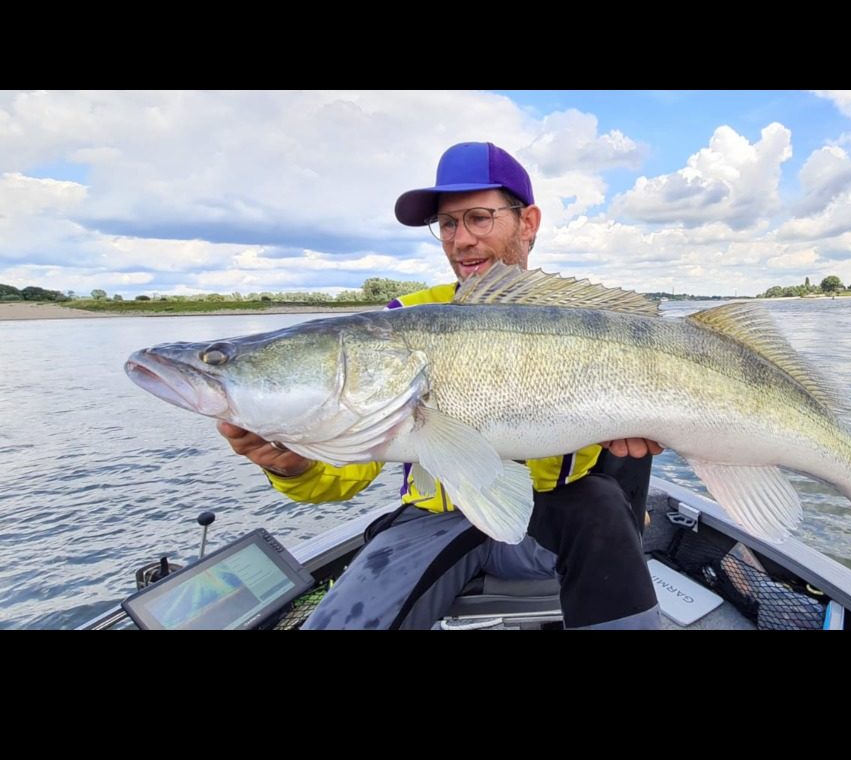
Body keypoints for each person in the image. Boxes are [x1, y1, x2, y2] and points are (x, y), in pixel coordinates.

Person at [218, 141, 665, 629]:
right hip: (436, 518)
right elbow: (349, 474)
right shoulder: (399, 322)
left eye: (478, 217)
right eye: (448, 224)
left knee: (602, 506)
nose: (460, 240)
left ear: (528, 222)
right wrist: (295, 465)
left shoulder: (589, 322)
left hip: (559, 518)